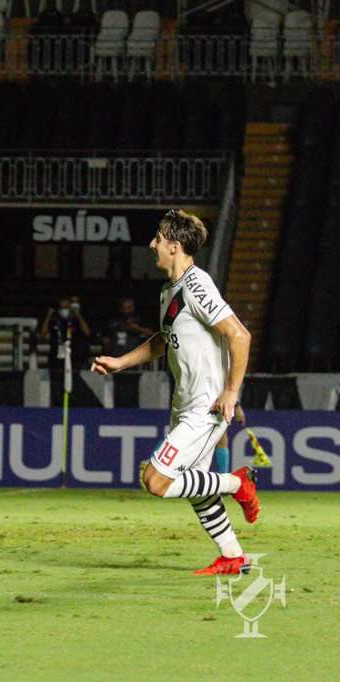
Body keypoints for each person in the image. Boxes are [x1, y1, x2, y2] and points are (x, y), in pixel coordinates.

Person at [91, 209, 259, 575]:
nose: (152, 244)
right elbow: (162, 341)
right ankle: (233, 556)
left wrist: (232, 392)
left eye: (158, 238)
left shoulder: (197, 286)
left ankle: (238, 481)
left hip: (207, 406)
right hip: (185, 405)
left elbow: (240, 335)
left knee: (156, 479)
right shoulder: (171, 290)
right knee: (196, 489)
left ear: (175, 245)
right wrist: (120, 362)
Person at [213, 403, 246, 473]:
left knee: (221, 437)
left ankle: (223, 475)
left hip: (215, 405)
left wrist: (236, 406)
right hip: (193, 406)